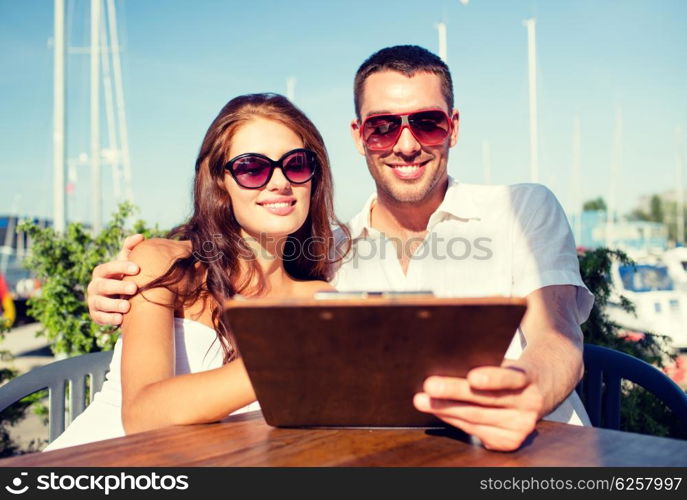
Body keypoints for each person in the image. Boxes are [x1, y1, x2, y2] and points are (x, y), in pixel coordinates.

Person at [87, 45, 593, 452]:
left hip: (541, 452)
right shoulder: (337, 258)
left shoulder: (520, 209)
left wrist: (524, 391)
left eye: (428, 122)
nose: (407, 142)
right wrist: (118, 286)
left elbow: (558, 339)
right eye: (383, 126)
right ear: (359, 136)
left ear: (453, 127)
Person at [45, 93, 346, 450]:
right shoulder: (163, 263)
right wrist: (285, 361)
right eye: (253, 168)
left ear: (314, 176)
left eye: (296, 164)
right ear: (220, 182)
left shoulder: (318, 297)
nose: (280, 182)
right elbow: (142, 416)